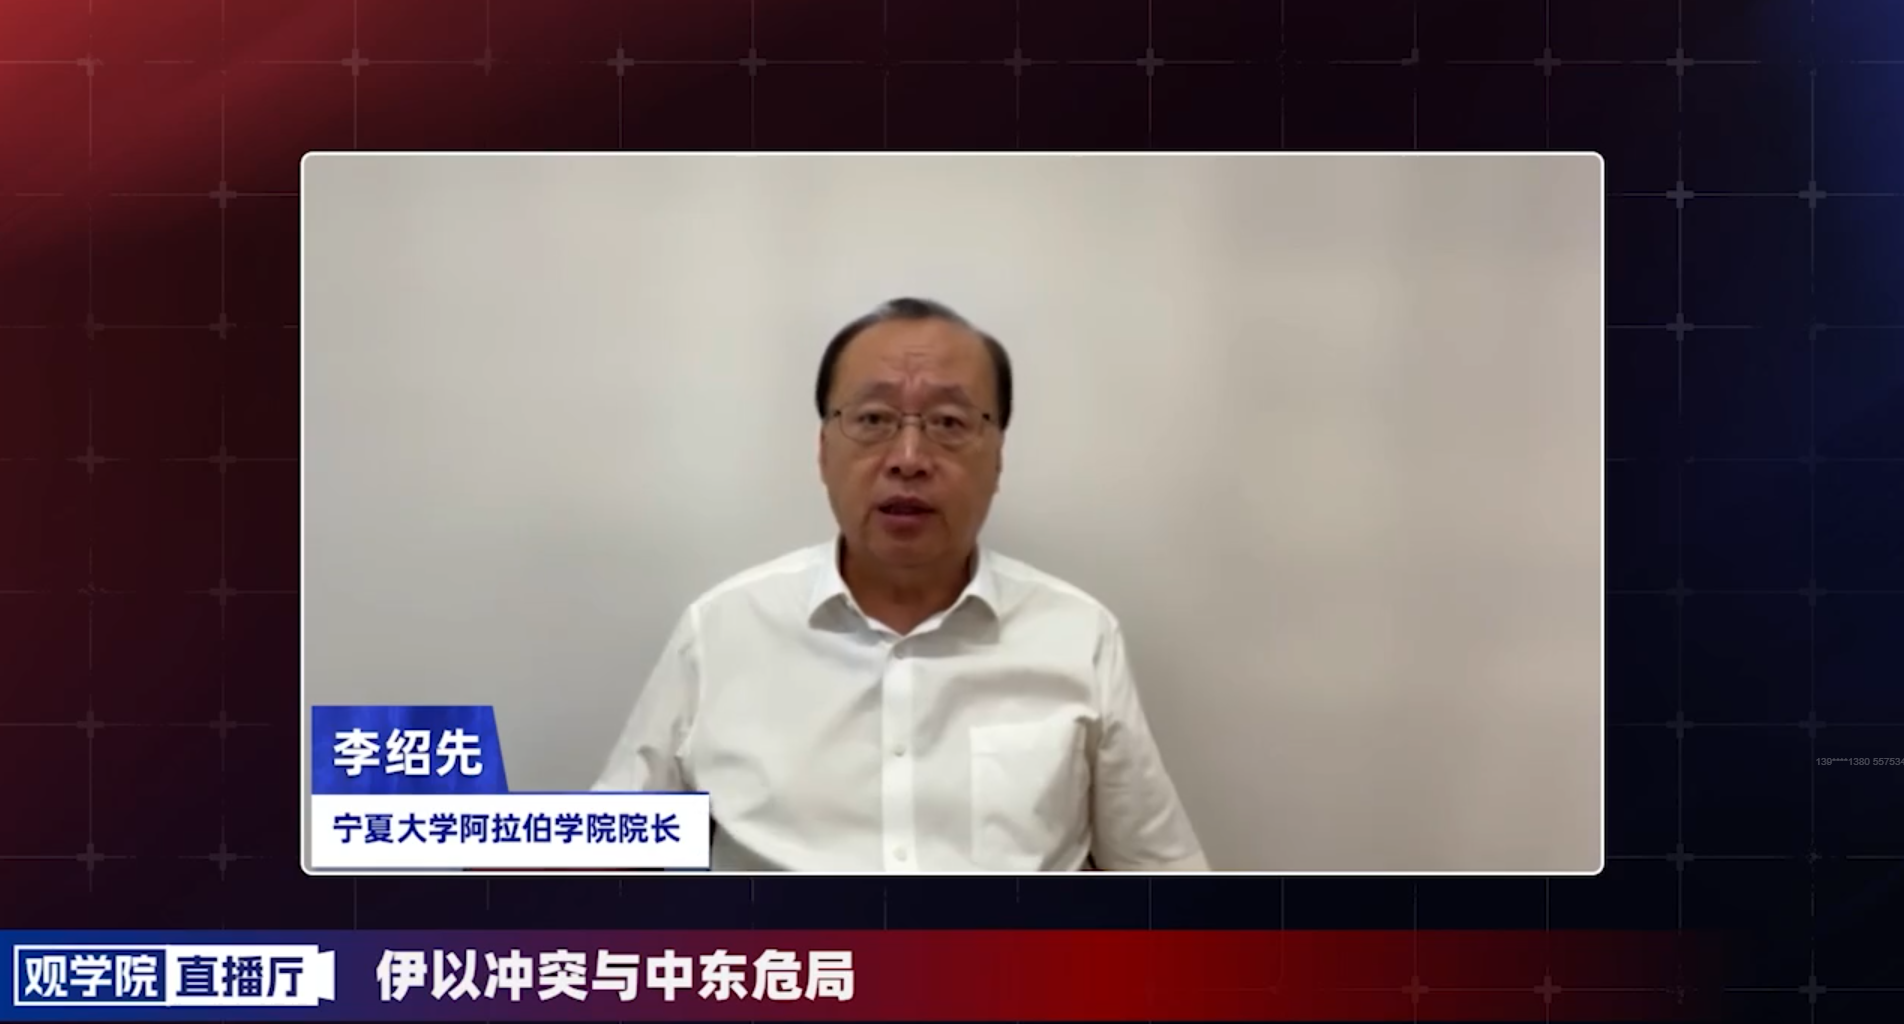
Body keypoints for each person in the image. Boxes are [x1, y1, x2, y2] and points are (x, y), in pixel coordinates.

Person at [592, 298, 1206, 872]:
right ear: (823, 450)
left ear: (997, 457)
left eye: (949, 422)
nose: (908, 457)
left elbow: (1165, 885)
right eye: (873, 420)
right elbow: (606, 862)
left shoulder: (1076, 636)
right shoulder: (723, 630)